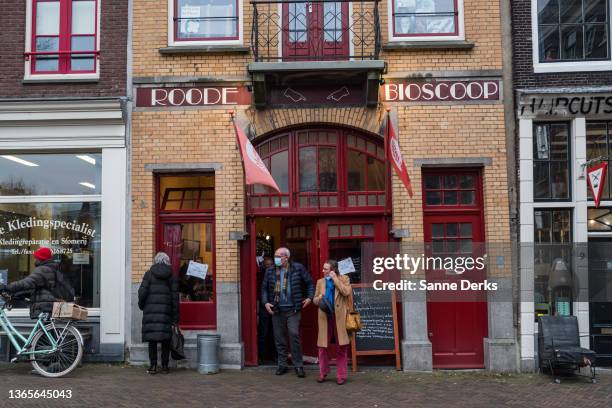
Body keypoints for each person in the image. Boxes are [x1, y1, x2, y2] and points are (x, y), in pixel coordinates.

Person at [261, 247, 314, 377]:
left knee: (294, 334)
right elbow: (264, 289)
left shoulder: (297, 268)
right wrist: (265, 302)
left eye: (279, 256)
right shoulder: (270, 271)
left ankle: (298, 365)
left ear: (286, 257)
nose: (276, 259)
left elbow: (310, 283)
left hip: (293, 309)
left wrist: (310, 297)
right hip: (277, 310)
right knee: (279, 338)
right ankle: (282, 365)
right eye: (275, 256)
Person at [0, 247, 71, 319]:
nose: (35, 259)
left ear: (40, 258)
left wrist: (7, 287)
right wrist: (16, 295)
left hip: (45, 306)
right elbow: (36, 287)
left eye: (36, 257)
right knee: (47, 329)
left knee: (45, 329)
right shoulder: (51, 268)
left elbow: (27, 283)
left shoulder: (43, 270)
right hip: (51, 305)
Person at [138, 252, 179, 375]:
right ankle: (165, 366)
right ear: (168, 261)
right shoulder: (172, 276)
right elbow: (175, 299)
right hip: (166, 313)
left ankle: (153, 366)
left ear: (155, 261)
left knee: (152, 340)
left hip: (150, 312)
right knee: (166, 340)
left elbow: (142, 293)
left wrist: (142, 306)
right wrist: (175, 319)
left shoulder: (149, 274)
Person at [313, 260, 352, 385]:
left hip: (339, 317)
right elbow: (314, 299)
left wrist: (335, 279)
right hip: (325, 316)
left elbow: (346, 292)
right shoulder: (320, 282)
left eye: (326, 269)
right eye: (323, 268)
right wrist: (317, 299)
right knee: (322, 347)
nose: (323, 271)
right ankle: (323, 372)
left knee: (342, 346)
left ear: (333, 270)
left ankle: (341, 375)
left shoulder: (344, 278)